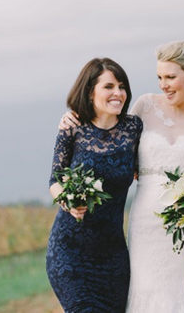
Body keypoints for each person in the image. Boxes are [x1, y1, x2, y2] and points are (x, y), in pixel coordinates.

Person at [60, 41, 184, 312]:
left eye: (171, 77)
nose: (163, 84)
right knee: (147, 293)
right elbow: (108, 133)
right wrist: (74, 118)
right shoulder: (145, 106)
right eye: (160, 77)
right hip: (145, 222)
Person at [46, 58, 142, 313]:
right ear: (90, 92)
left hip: (113, 254)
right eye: (109, 86)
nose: (118, 93)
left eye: (121, 86)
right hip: (71, 252)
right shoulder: (73, 128)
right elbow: (54, 181)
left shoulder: (134, 128)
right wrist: (68, 201)